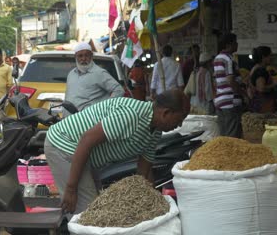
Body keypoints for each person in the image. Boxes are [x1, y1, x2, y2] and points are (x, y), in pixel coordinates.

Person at [44, 89, 190, 215]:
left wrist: (153, 201)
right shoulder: (131, 114)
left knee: (97, 206)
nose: (179, 125)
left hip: (84, 154)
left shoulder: (155, 131)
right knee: (86, 213)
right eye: (179, 119)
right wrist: (71, 188)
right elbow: (86, 141)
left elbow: (144, 171)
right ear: (166, 113)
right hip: (64, 144)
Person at [65, 42, 124, 112]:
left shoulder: (99, 73)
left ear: (91, 56)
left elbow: (119, 90)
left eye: (86, 55)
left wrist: (105, 108)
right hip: (70, 119)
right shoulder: (71, 74)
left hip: (90, 120)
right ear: (75, 57)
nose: (83, 58)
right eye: (80, 56)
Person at [213, 33, 244, 138]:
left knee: (224, 136)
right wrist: (242, 93)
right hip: (230, 102)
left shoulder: (217, 58)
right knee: (232, 137)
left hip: (220, 101)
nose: (237, 44)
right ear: (228, 44)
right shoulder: (228, 59)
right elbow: (230, 80)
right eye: (235, 42)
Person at [247, 46, 277, 113]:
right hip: (262, 108)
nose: (272, 58)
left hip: (259, 106)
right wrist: (274, 84)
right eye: (270, 56)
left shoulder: (256, 68)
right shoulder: (260, 71)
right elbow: (261, 88)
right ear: (263, 57)